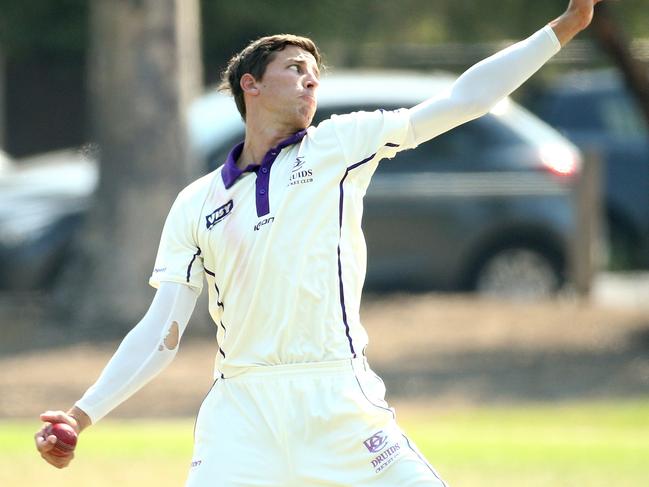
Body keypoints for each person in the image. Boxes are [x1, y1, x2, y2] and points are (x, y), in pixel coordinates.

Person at [36, 1, 603, 485]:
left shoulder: (337, 146)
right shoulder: (196, 202)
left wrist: (565, 25)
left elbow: (463, 101)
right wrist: (81, 415)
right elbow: (161, 333)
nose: (311, 79)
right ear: (249, 86)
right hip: (242, 412)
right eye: (295, 68)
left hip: (337, 400)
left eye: (315, 72)